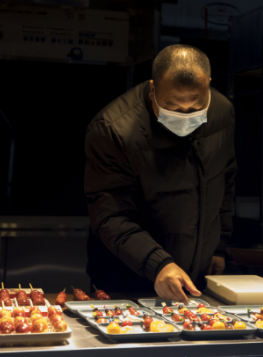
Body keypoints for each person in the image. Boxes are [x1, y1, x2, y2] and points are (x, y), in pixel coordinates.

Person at [84, 44, 237, 302]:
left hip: (193, 281)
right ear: (153, 88)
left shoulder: (221, 111)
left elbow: (225, 182)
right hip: (126, 282)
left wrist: (219, 247)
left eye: (196, 106)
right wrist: (158, 264)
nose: (185, 115)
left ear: (208, 85)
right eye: (173, 107)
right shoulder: (113, 129)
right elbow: (110, 216)